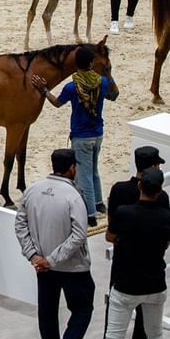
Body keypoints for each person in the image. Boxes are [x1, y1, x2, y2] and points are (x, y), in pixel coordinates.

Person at [15, 149, 94, 339]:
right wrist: (51, 259)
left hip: (42, 266)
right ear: (72, 168)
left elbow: (20, 225)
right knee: (83, 309)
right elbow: (79, 235)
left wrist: (34, 255)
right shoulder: (73, 196)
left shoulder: (32, 190)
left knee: (47, 311)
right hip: (72, 267)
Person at [31, 46, 120, 225]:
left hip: (81, 135)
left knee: (84, 173)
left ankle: (91, 213)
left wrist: (45, 90)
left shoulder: (72, 87)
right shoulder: (102, 82)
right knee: (94, 170)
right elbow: (112, 94)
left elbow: (57, 103)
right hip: (98, 133)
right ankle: (98, 202)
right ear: (92, 63)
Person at [102, 146, 170, 339]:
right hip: (154, 276)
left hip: (125, 273)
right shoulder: (165, 212)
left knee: (113, 335)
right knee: (155, 332)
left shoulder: (120, 193)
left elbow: (111, 234)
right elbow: (166, 241)